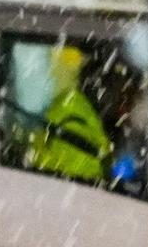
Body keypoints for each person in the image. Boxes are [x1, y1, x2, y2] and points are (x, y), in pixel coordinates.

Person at [24, 45, 111, 185]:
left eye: (51, 67)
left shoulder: (69, 116)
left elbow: (45, 174)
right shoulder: (70, 109)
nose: (50, 73)